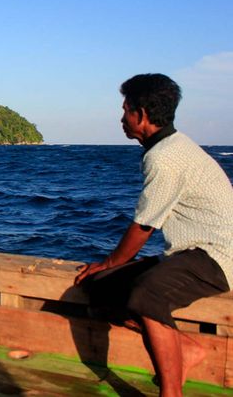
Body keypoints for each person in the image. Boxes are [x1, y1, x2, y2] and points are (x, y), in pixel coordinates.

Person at [74, 73, 233, 396]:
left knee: (147, 295)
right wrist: (108, 270)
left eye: (125, 110)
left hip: (218, 254)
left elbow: (145, 225)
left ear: (142, 114)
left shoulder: (165, 157)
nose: (121, 118)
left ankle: (170, 391)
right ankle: (185, 349)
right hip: (189, 251)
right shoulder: (166, 147)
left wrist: (110, 261)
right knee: (100, 289)